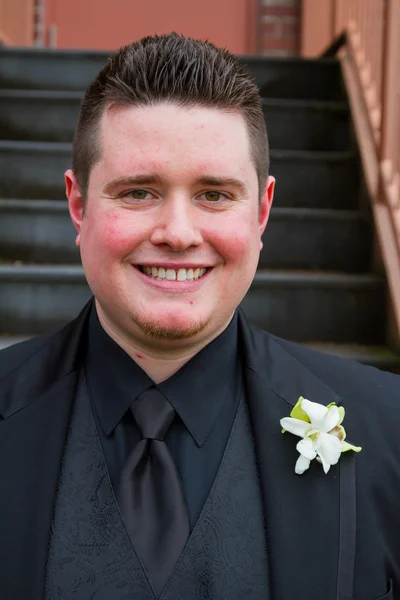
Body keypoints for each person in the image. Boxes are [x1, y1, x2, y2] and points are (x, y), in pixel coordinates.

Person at [0, 33, 399, 600]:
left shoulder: (388, 431)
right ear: (78, 204)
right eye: (138, 192)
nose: (179, 233)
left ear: (261, 211)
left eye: (214, 194)